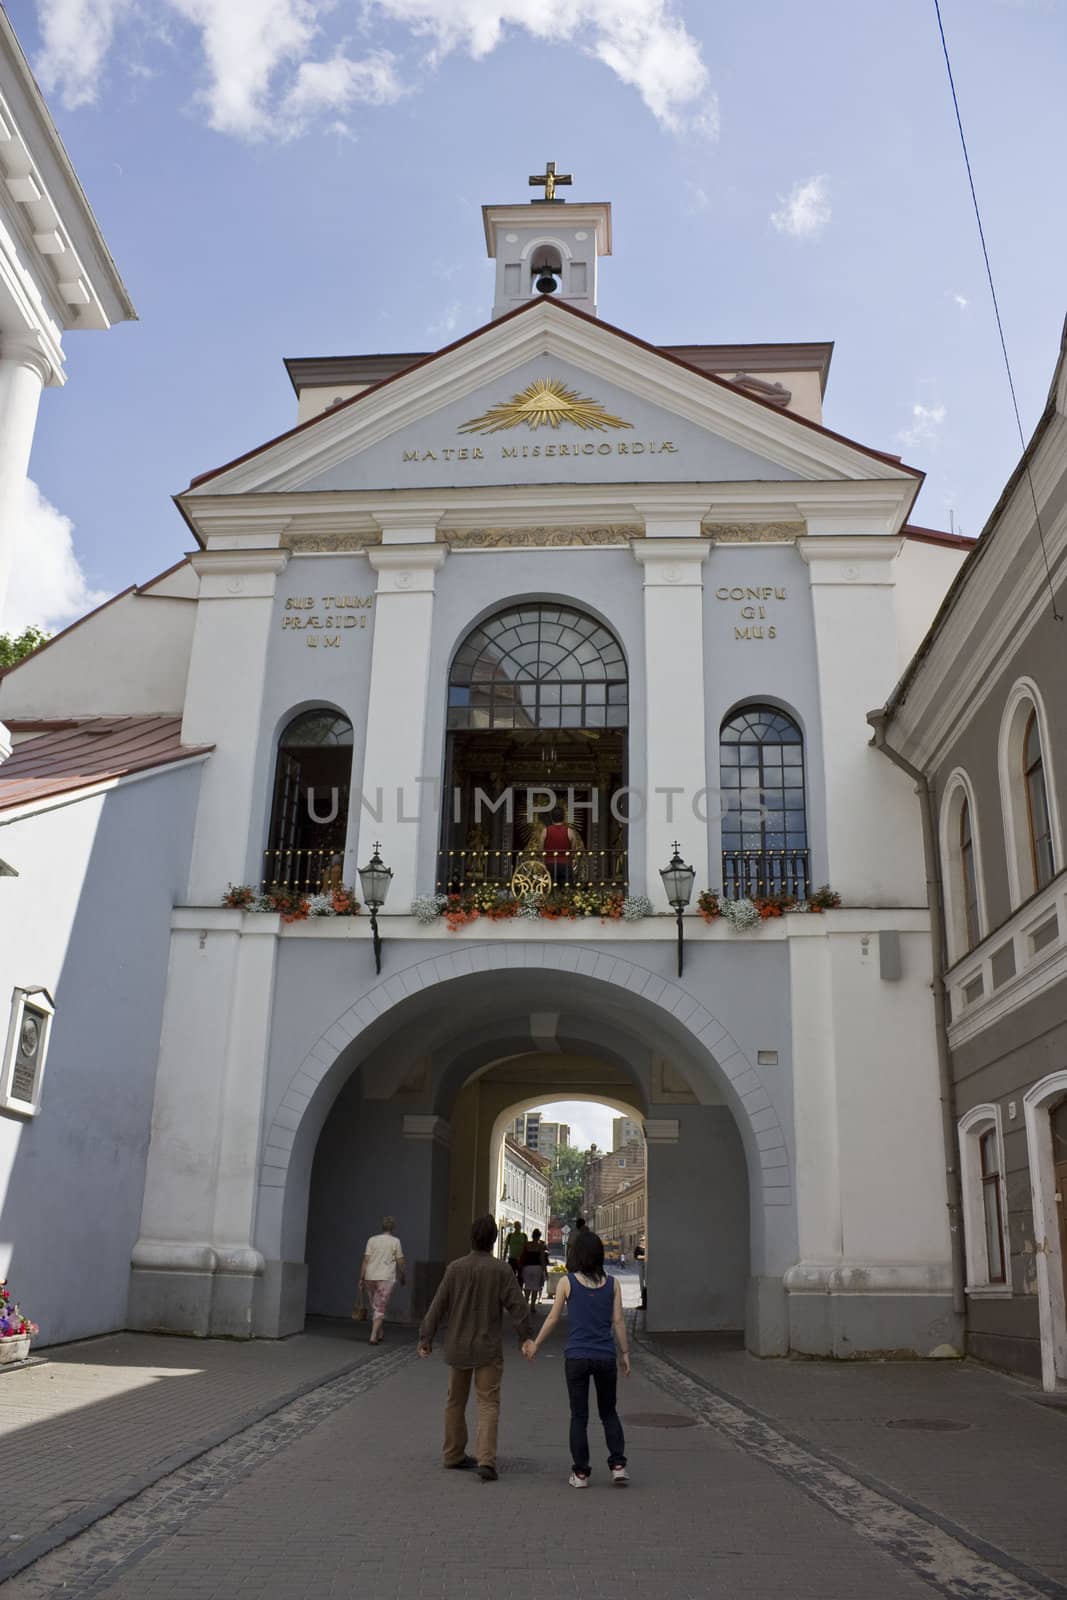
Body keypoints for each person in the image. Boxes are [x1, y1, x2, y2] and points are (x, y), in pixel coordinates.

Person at [418, 1215, 536, 1482]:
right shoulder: (501, 1271)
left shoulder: (455, 1268)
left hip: (458, 1345)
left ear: (471, 1237)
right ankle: (486, 1460)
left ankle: (452, 1453)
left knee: (455, 1401)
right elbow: (518, 1307)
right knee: (488, 1403)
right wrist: (526, 1337)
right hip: (487, 1347)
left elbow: (438, 1305)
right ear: (494, 1240)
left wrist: (426, 1337)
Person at [527, 1227, 630, 1488]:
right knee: (609, 1412)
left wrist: (536, 1343)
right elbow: (618, 1321)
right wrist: (625, 1353)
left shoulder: (567, 1282)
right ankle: (618, 1465)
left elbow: (552, 1318)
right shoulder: (613, 1284)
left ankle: (581, 1473)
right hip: (605, 1356)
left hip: (577, 1357)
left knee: (579, 1416)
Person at [358, 1215, 405, 1345]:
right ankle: (373, 1336)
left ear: (382, 1227)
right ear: (393, 1228)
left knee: (375, 1305)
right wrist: (403, 1275)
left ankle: (380, 1331)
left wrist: (361, 1277)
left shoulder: (372, 1240)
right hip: (385, 1278)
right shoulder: (395, 1241)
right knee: (380, 1306)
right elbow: (400, 1261)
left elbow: (366, 1260)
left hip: (370, 1276)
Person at [519, 1228, 549, 1310]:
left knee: (528, 1286)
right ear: (539, 1236)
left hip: (527, 1268)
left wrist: (520, 1267)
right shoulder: (540, 1246)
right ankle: (532, 1305)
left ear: (532, 1236)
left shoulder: (527, 1245)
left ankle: (526, 1302)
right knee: (535, 1287)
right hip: (537, 1268)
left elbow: (522, 1256)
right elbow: (542, 1260)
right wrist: (545, 1271)